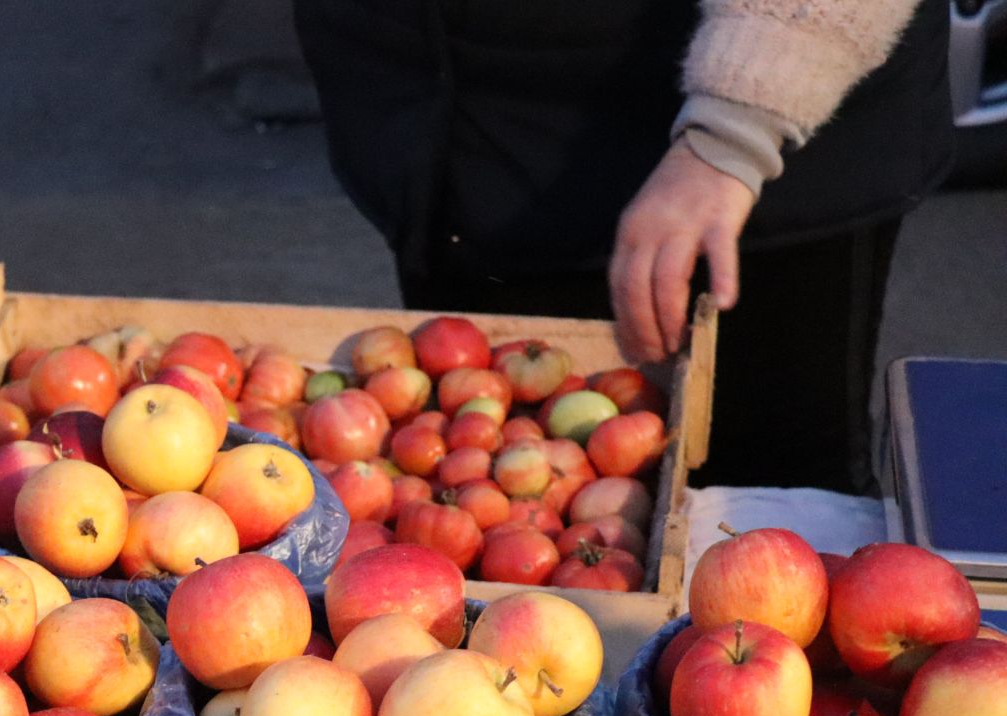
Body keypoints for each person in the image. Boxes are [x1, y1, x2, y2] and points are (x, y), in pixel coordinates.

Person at [293, 0, 954, 493]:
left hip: (736, 144)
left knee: (765, 515)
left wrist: (733, 129)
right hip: (445, 133)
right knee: (481, 504)